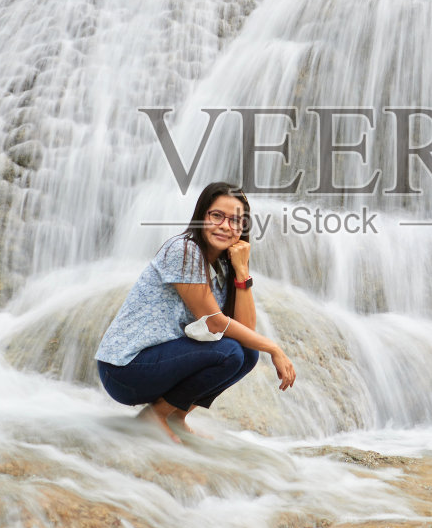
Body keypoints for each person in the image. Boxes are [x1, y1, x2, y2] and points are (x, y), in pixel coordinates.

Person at [95, 181, 297, 441]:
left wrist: (242, 272)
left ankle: (174, 415)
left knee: (246, 353)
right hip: (124, 368)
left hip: (156, 365)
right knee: (230, 352)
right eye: (217, 216)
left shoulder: (223, 268)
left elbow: (245, 331)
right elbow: (214, 324)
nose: (225, 226)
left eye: (235, 221)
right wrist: (274, 348)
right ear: (202, 217)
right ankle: (155, 417)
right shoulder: (184, 250)